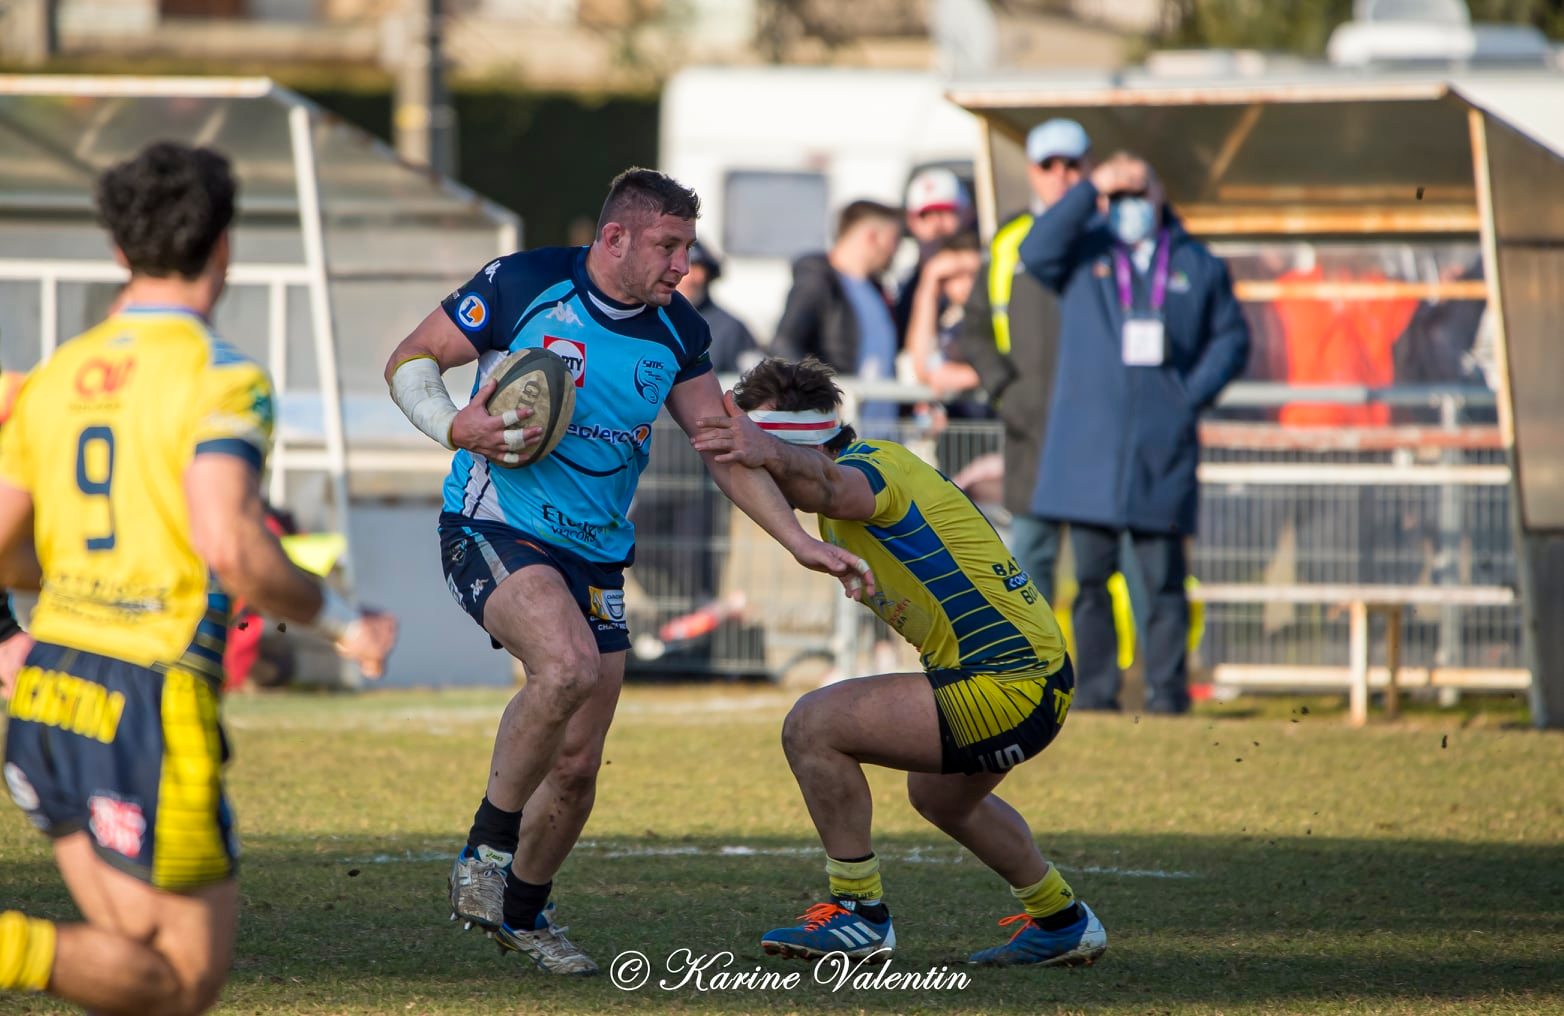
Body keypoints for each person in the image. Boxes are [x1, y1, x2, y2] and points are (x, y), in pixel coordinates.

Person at [383, 167, 872, 976]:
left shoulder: (678, 331)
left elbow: (723, 447)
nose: (684, 264)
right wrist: (453, 425)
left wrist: (797, 540)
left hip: (599, 554)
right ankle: (484, 853)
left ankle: (523, 914)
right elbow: (411, 359)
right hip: (494, 524)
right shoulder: (523, 284)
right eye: (669, 246)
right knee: (566, 665)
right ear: (615, 238)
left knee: (578, 767)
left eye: (687, 247)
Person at [0, 141, 397, 1016]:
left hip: (48, 690)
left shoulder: (52, 378)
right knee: (182, 979)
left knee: (130, 961)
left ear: (117, 248)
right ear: (224, 244)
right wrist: (345, 621)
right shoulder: (222, 377)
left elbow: (3, 548)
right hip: (147, 693)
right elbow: (233, 545)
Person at [691, 357, 1105, 967]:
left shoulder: (869, 471)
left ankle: (859, 913)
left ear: (790, 445)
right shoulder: (867, 473)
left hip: (1006, 682)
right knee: (941, 799)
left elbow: (828, 484)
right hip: (1036, 677)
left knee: (812, 725)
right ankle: (1062, 920)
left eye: (757, 460)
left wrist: (766, 450)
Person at [1019, 153, 1250, 714]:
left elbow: (1232, 339)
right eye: (1119, 197)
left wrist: (1187, 395)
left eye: (1138, 193)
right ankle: (1097, 694)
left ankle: (1167, 693)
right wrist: (1091, 187)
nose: (1129, 206)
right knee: (1091, 581)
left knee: (1164, 579)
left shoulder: (1196, 263)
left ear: (1161, 196)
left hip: (1160, 448)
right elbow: (1036, 249)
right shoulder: (1086, 252)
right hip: (1089, 448)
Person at [954, 118, 1091, 607]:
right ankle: (1037, 656)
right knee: (1033, 562)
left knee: (1102, 565)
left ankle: (1119, 659)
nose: (1061, 175)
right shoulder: (1009, 239)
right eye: (1048, 165)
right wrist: (1006, 391)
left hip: (1098, 429)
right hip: (1030, 432)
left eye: (1072, 164)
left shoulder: (1106, 236)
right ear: (1032, 171)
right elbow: (975, 327)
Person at [772, 200, 903, 434]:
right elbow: (784, 344)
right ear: (872, 236)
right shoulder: (817, 281)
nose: (897, 250)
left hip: (880, 435)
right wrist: (822, 394)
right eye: (894, 239)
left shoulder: (876, 290)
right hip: (834, 434)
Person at [892, 168, 971, 341]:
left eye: (946, 212)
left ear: (967, 214)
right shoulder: (902, 288)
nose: (936, 223)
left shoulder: (984, 276)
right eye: (925, 214)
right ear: (911, 221)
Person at [677, 241, 761, 374]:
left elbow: (755, 380)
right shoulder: (649, 321)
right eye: (685, 269)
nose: (694, 278)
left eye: (699, 270)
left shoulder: (732, 329)